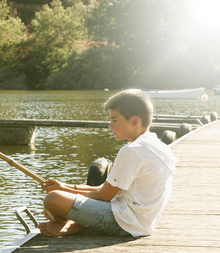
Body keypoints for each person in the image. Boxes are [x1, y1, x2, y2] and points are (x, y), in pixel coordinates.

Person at [39, 89, 178, 237]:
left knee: (52, 199)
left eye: (115, 120)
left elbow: (103, 195)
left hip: (125, 222)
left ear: (134, 121)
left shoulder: (133, 151)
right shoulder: (157, 145)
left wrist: (62, 195)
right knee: (59, 197)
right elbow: (105, 189)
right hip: (141, 221)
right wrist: (64, 187)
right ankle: (74, 224)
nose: (110, 126)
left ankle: (73, 226)